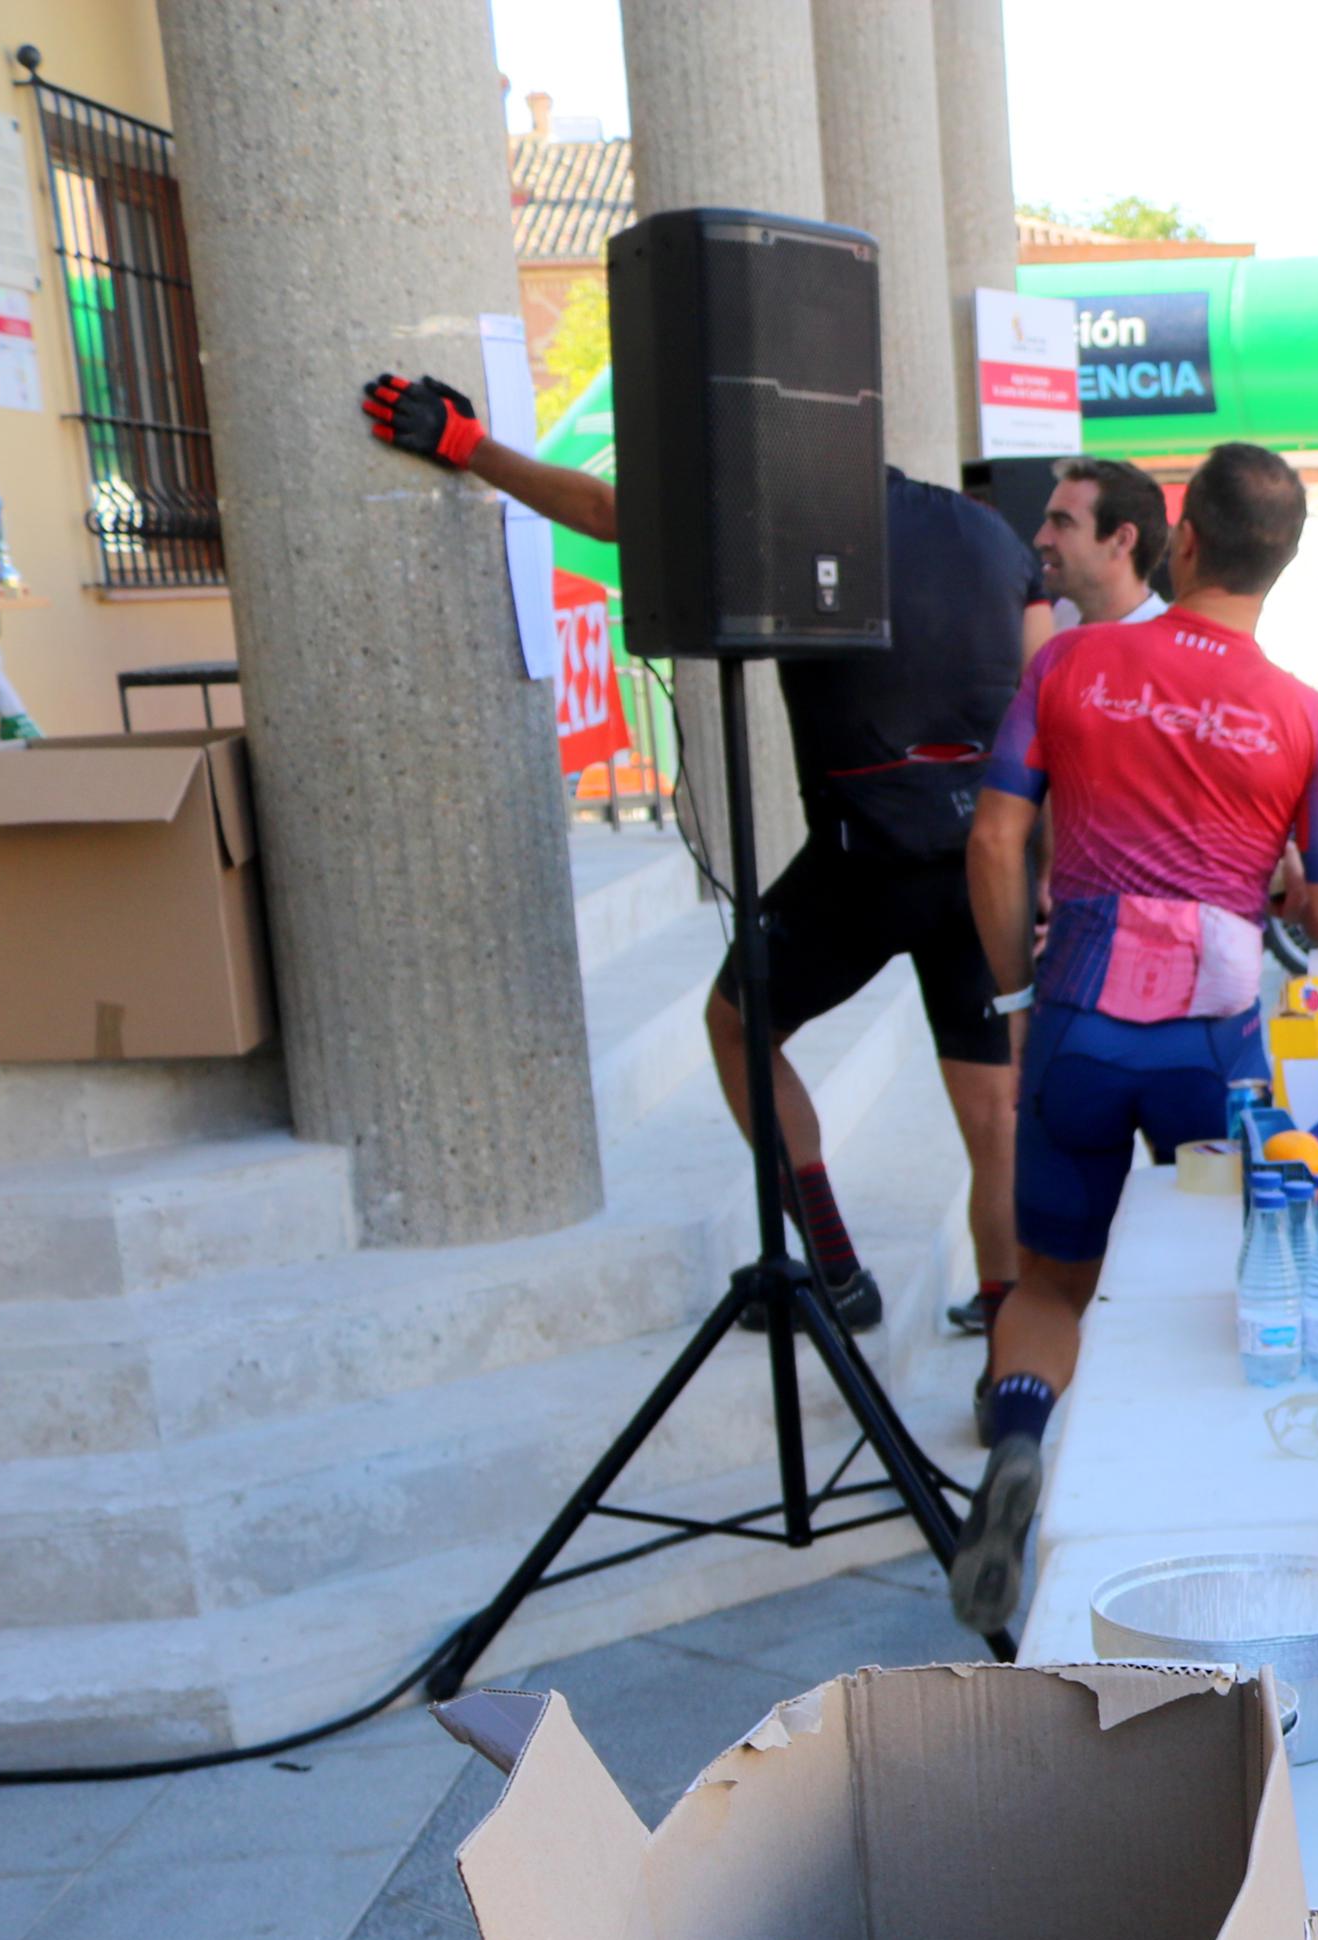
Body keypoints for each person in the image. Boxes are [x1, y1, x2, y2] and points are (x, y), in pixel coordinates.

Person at [361, 369, 1047, 1343]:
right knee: (994, 1120)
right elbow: (1040, 704)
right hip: (979, 863)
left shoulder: (795, 528)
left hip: (860, 858)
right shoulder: (990, 535)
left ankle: (837, 1272)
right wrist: (1042, 870)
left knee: (737, 1025)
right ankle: (1006, 1347)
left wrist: (467, 446)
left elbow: (602, 513)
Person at [953, 444, 1318, 1633]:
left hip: (1079, 1015)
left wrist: (1016, 996)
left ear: (1180, 541)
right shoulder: (1307, 714)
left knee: (1049, 1282)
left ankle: (1023, 1439)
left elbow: (991, 841)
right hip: (1213, 1041)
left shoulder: (1074, 660)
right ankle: (1203, 1530)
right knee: (1225, 1289)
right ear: (1279, 565)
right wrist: (1276, 881)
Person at [1034, 456, 1170, 629]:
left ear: (1122, 540)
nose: (1041, 540)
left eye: (1063, 523)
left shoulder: (1167, 647)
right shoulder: (1060, 619)